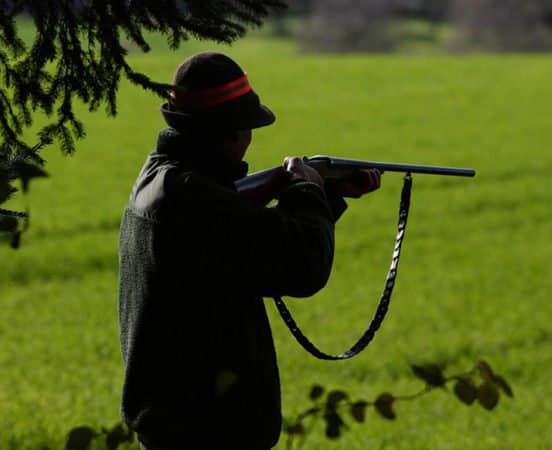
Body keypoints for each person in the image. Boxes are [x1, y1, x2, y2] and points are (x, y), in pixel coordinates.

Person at [118, 51, 381, 450]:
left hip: (180, 425)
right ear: (229, 132)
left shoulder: (162, 176)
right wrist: (305, 189)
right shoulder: (194, 197)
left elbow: (251, 245)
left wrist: (326, 195)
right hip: (208, 433)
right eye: (247, 128)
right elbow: (304, 265)